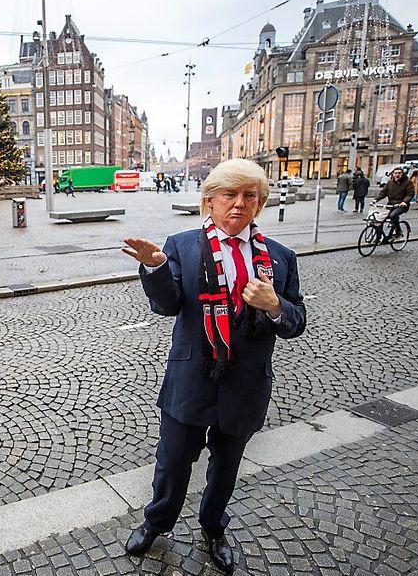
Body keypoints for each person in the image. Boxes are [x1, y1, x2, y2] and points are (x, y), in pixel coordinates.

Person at [121, 159, 306, 574]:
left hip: (245, 384)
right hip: (191, 379)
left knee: (226, 468)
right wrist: (154, 267)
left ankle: (213, 529)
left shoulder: (280, 257)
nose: (239, 204)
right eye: (229, 194)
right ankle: (157, 522)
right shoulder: (183, 245)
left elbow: (296, 321)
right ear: (210, 201)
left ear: (259, 204)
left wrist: (275, 305)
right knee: (172, 462)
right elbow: (167, 305)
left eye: (249, 196)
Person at [371, 166, 415, 238]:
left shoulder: (407, 183)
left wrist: (404, 202)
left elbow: (410, 194)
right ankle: (378, 237)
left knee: (393, 215)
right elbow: (383, 193)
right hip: (390, 204)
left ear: (402, 174)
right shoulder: (389, 183)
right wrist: (375, 199)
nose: (397, 175)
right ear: (393, 174)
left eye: (399, 173)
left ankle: (398, 231)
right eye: (395, 173)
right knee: (379, 218)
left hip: (402, 205)